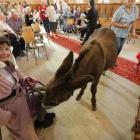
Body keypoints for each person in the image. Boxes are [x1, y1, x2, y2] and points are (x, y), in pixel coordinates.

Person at [0, 37, 55, 140]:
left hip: (21, 98)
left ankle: (41, 119)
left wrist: (27, 79)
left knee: (43, 94)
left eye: (7, 49)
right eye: (0, 49)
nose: (4, 52)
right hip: (11, 108)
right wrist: (6, 117)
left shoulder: (8, 64)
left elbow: (20, 76)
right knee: (26, 133)